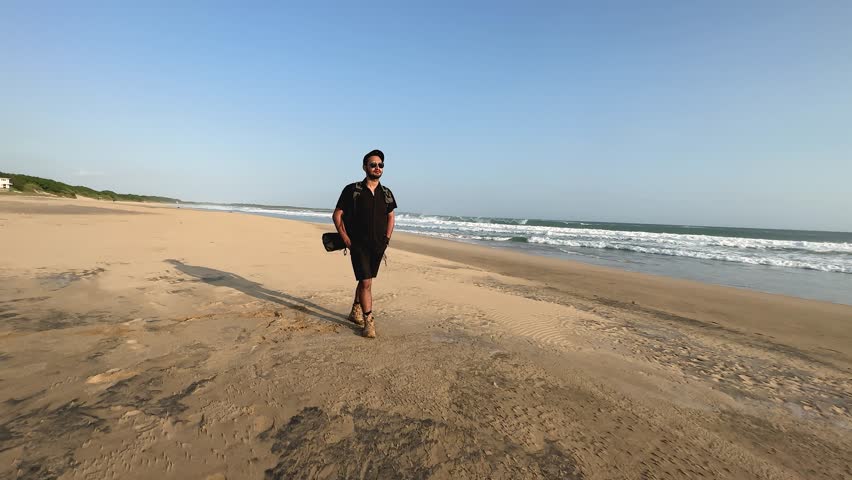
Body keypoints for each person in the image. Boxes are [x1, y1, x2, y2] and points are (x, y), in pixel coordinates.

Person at [332, 149, 397, 338]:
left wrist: (386, 239)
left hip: (378, 246)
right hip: (358, 244)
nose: (377, 168)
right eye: (373, 164)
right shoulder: (352, 190)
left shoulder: (387, 193)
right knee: (367, 281)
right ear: (364, 167)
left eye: (380, 165)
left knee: (364, 279)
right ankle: (369, 322)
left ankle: (355, 310)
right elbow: (337, 215)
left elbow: (391, 216)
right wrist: (345, 239)